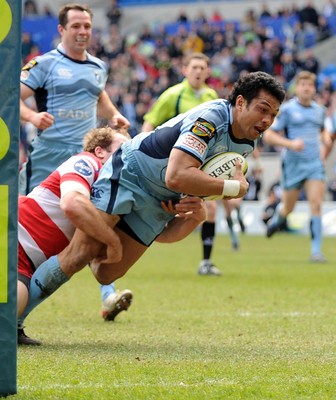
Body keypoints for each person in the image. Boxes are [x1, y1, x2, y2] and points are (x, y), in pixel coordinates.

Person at [23, 72, 285, 314]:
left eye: (273, 115)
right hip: (131, 173)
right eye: (263, 109)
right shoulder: (211, 118)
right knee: (80, 253)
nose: (267, 120)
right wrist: (233, 188)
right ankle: (15, 320)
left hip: (161, 198)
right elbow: (177, 175)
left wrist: (195, 207)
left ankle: (103, 236)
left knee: (106, 273)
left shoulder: (249, 141)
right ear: (240, 103)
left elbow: (196, 186)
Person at [19, 3, 130, 322]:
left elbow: (99, 96)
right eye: (76, 26)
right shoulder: (44, 64)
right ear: (61, 30)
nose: (83, 31)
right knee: (29, 232)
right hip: (48, 161)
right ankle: (16, 300)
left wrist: (114, 114)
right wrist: (31, 116)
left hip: (89, 163)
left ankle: (108, 291)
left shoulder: (97, 66)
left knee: (97, 221)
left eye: (87, 26)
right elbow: (13, 95)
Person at [18, 127, 132, 346]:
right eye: (121, 149)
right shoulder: (87, 162)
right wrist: (112, 241)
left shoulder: (115, 187)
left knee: (11, 310)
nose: (126, 155)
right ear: (99, 151)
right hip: (13, 232)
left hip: (25, 262)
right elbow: (72, 203)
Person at [141, 52, 242, 275]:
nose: (198, 72)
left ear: (208, 72)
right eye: (193, 67)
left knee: (211, 208)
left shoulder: (212, 96)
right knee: (163, 209)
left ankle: (206, 262)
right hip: (170, 164)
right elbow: (149, 124)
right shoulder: (173, 95)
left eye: (202, 68)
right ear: (185, 70)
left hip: (201, 164)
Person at [263, 71, 331, 263]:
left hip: (314, 164)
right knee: (288, 208)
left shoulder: (319, 110)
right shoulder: (287, 110)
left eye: (310, 85)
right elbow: (269, 135)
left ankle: (316, 251)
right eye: (303, 85)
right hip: (293, 164)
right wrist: (291, 144)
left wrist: (325, 137)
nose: (307, 88)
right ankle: (278, 219)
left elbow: (323, 130)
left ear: (314, 88)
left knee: (316, 204)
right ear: (297, 88)